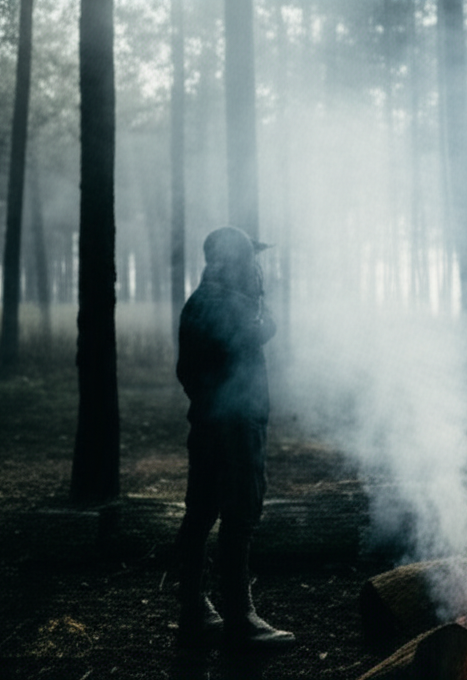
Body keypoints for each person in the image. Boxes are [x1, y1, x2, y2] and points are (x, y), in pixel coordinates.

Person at [173, 226, 294, 651]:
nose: (256, 268)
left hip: (209, 423)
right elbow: (263, 331)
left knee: (201, 511)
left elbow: (188, 372)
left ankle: (194, 608)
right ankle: (240, 619)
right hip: (236, 426)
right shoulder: (229, 306)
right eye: (250, 260)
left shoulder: (200, 303)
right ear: (234, 262)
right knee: (239, 515)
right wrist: (262, 306)